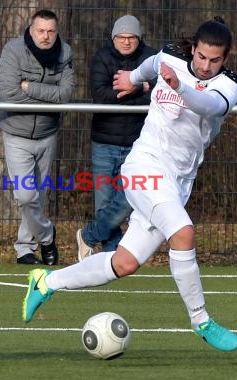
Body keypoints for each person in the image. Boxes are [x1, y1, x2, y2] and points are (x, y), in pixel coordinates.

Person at [22, 17, 237, 353]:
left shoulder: (229, 84)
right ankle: (201, 321)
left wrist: (179, 87)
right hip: (144, 167)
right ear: (193, 48)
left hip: (178, 182)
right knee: (183, 232)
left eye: (215, 60)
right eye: (200, 57)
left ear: (225, 59)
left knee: (123, 263)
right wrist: (132, 78)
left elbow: (210, 106)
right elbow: (151, 64)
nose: (205, 66)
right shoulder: (170, 57)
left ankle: (45, 281)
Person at [77, 15, 157, 261]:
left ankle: (88, 236)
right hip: (104, 141)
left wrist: (131, 88)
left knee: (127, 201)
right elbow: (100, 96)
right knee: (104, 204)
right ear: (114, 38)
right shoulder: (102, 58)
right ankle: (112, 256)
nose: (125, 41)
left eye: (131, 37)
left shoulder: (151, 59)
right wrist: (138, 87)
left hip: (138, 143)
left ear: (139, 38)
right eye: (121, 37)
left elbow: (158, 96)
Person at [0, 9, 74, 265]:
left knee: (37, 196)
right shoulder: (13, 50)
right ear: (31, 30)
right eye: (40, 31)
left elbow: (65, 95)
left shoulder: (65, 53)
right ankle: (47, 236)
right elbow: (9, 94)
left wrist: (29, 87)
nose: (45, 36)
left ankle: (25, 249)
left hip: (47, 133)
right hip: (16, 133)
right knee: (26, 196)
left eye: (51, 31)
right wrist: (48, 95)